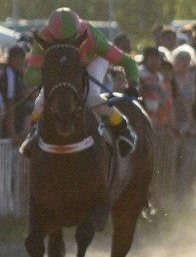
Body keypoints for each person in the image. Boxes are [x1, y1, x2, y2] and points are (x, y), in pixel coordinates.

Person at [20, 8, 140, 157]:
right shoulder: (43, 39)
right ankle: (33, 132)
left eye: (69, 42)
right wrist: (55, 72)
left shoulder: (92, 37)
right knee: (40, 102)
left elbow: (128, 62)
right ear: (50, 37)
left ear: (79, 36)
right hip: (60, 68)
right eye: (58, 43)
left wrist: (133, 84)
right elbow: (29, 78)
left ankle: (123, 129)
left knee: (90, 98)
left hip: (93, 61)